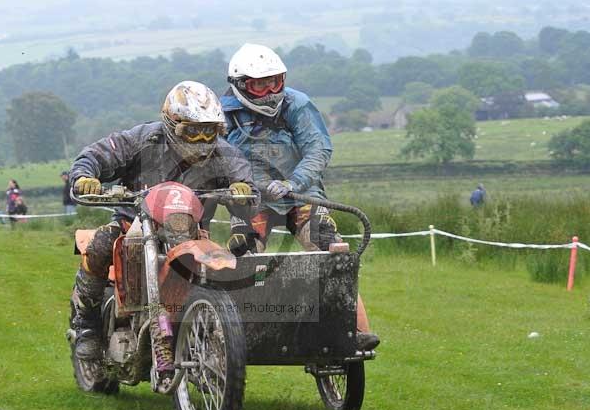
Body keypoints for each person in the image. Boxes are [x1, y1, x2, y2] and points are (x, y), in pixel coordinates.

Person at [68, 80, 257, 390]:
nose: (201, 139)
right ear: (172, 124)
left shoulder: (225, 153)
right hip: (134, 223)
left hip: (192, 232)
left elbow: (246, 183)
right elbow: (96, 155)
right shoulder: (142, 139)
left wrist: (243, 191)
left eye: (209, 131)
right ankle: (86, 324)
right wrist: (85, 176)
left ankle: (218, 332)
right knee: (101, 244)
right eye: (192, 131)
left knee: (228, 268)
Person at [220, 43, 379, 351]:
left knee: (334, 255)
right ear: (241, 85)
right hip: (252, 200)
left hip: (301, 195)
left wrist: (295, 181)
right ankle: (235, 334)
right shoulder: (223, 115)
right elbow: (215, 158)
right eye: (259, 84)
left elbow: (318, 148)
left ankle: (356, 331)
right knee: (242, 257)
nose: (269, 92)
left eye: (275, 82)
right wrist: (239, 185)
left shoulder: (297, 104)